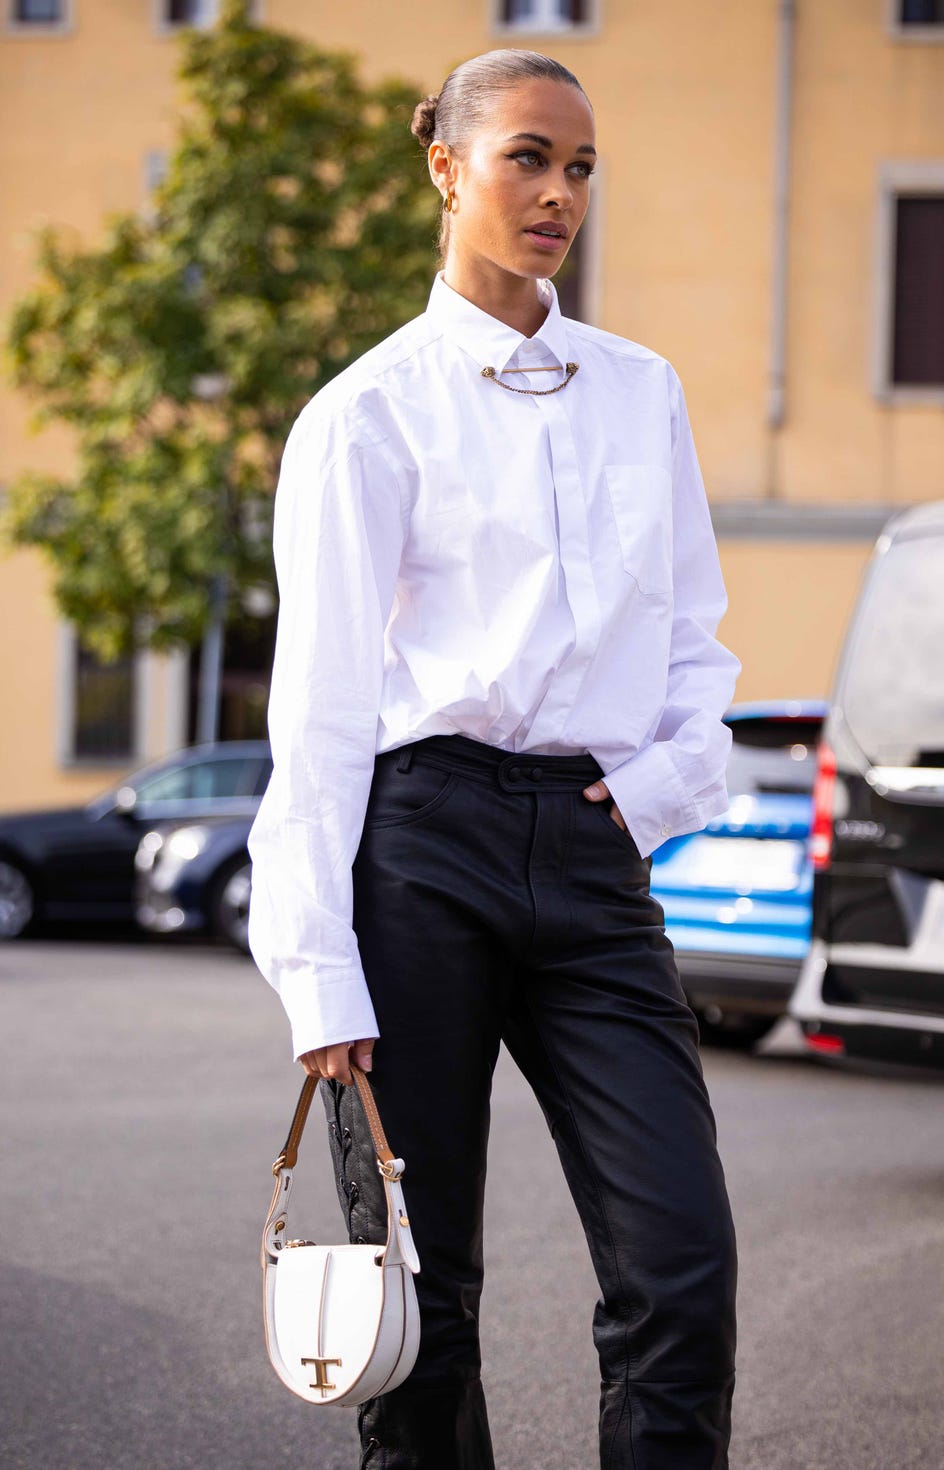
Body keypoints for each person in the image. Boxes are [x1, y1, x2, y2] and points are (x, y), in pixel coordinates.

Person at [247, 47, 741, 1470]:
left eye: (580, 166)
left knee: (681, 1264)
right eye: (528, 156)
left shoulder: (640, 392)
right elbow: (322, 718)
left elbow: (696, 643)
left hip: (592, 850)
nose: (559, 192)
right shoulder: (366, 414)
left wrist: (655, 791)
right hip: (424, 848)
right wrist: (318, 975)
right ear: (446, 166)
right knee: (422, 1288)